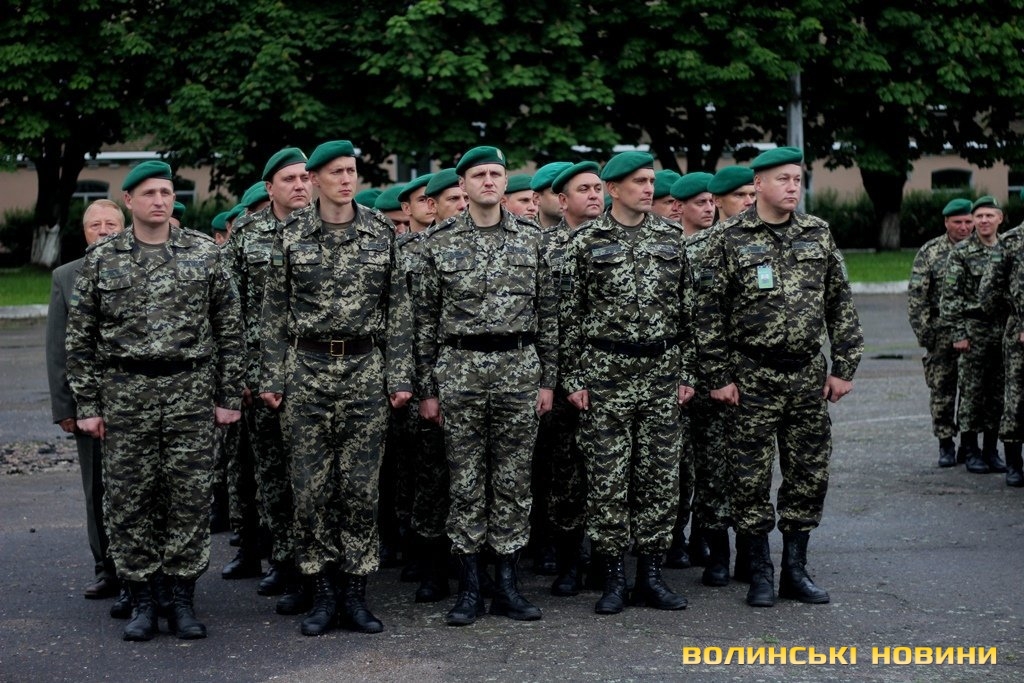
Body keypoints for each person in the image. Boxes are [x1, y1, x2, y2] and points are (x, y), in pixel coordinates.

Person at [66, 160, 244, 640]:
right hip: (126, 395)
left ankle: (182, 599)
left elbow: (229, 330)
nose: (160, 201)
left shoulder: (204, 253)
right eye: (149, 193)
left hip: (190, 392)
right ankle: (143, 599)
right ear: (129, 201)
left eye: (166, 192)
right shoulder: (103, 259)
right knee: (129, 500)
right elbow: (80, 340)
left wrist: (227, 396)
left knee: (190, 498)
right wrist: (87, 406)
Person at [695, 146, 863, 608]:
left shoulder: (816, 232)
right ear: (759, 184)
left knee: (808, 474)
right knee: (748, 478)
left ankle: (795, 570)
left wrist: (844, 367)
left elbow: (840, 303)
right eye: (783, 179)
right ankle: (759, 572)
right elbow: (707, 314)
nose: (793, 187)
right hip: (750, 376)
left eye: (797, 179)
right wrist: (718, 376)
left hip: (807, 375)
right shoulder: (727, 237)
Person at [259, 140, 413, 637]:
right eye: (336, 172)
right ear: (315, 179)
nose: (347, 180)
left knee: (361, 490)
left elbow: (398, 309)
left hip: (365, 369)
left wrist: (399, 376)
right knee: (310, 490)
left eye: (351, 171)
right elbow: (274, 311)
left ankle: (356, 594)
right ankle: (323, 593)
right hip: (307, 370)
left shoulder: (380, 231)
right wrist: (272, 377)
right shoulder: (291, 234)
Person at [415, 145, 557, 626]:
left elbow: (549, 317)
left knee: (514, 480)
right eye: (479, 175)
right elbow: (424, 322)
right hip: (460, 370)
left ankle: (508, 587)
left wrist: (548, 381)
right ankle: (470, 589)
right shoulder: (438, 242)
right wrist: (427, 389)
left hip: (519, 367)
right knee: (465, 481)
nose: (489, 181)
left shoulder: (533, 239)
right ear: (463, 185)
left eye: (497, 173)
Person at [559, 151, 695, 616]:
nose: (648, 188)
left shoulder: (671, 238)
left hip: (661, 374)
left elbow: (689, 314)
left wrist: (688, 374)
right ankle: (613, 579)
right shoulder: (585, 241)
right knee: (607, 480)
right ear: (613, 189)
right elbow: (568, 317)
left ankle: (651, 577)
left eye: (651, 181)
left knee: (660, 479)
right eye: (638, 181)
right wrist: (573, 377)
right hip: (606, 376)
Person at [226, 148, 314, 612]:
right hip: (265, 376)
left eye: (304, 177)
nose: (300, 186)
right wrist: (241, 372)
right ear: (269, 188)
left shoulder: (328, 228)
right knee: (274, 473)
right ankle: (284, 558)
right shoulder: (248, 236)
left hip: (319, 370)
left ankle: (318, 563)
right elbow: (231, 308)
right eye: (289, 179)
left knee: (317, 475)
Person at [46, 199, 125, 607]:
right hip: (89, 401)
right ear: (84, 231)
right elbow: (57, 347)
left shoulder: (141, 268)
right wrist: (66, 407)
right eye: (96, 225)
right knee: (97, 487)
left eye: (112, 223)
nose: (104, 230)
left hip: (138, 397)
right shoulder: (66, 276)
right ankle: (106, 567)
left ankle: (144, 571)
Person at [536, 161, 604, 597]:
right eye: (584, 189)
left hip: (610, 377)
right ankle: (568, 559)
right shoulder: (541, 248)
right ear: (562, 200)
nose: (595, 195)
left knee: (609, 473)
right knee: (564, 475)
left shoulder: (617, 241)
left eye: (598, 188)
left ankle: (604, 559)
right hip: (560, 380)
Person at [940, 195, 1008, 474]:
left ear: (999, 219)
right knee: (971, 393)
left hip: (1002, 331)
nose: (983, 221)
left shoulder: (1008, 248)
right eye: (979, 216)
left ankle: (991, 450)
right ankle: (970, 450)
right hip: (973, 331)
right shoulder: (962, 252)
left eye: (989, 216)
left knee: (997, 394)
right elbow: (950, 297)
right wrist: (959, 333)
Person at [908, 199, 974, 466]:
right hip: (941, 332)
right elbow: (917, 298)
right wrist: (928, 336)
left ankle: (969, 444)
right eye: (958, 222)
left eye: (968, 221)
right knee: (942, 390)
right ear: (946, 222)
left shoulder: (983, 248)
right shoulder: (931, 252)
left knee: (973, 391)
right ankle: (945, 443)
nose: (964, 227)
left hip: (975, 332)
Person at [978, 194, 1024, 486]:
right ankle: (1015, 465)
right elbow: (988, 292)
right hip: (1020, 336)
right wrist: (1014, 318)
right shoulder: (1011, 242)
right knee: (1017, 399)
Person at [531, 162, 572, 229]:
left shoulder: (588, 232)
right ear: (537, 198)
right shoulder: (520, 233)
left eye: (569, 193)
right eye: (557, 193)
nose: (565, 199)